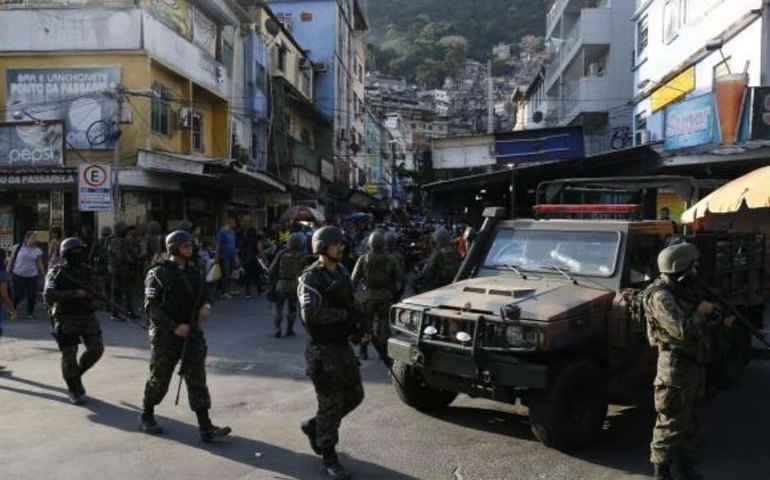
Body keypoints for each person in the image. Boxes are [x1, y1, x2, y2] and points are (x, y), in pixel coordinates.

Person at [642, 243, 733, 480]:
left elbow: (700, 329)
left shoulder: (685, 290)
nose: (696, 270)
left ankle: (685, 468)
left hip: (693, 363)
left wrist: (718, 320)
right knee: (670, 423)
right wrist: (702, 312)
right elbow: (683, 330)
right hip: (674, 367)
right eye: (693, 266)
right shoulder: (661, 296)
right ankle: (661, 473)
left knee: (690, 420)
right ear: (681, 267)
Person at [138, 230, 231, 442]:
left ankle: (205, 426)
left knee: (197, 378)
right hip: (166, 335)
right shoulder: (158, 274)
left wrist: (206, 306)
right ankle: (147, 413)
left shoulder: (194, 271)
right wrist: (173, 327)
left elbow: (205, 292)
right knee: (160, 378)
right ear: (173, 248)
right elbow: (151, 307)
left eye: (191, 245)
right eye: (185, 245)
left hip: (192, 332)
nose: (190, 248)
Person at [298, 226, 370, 480]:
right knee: (330, 404)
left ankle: (315, 427)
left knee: (355, 395)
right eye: (335, 244)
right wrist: (345, 316)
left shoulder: (340, 272)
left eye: (342, 243)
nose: (341, 247)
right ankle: (329, 458)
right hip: (322, 351)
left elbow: (351, 304)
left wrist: (358, 330)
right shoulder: (311, 278)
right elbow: (311, 315)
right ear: (321, 247)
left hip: (341, 347)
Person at [43, 237, 105, 404]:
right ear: (66, 254)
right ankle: (74, 389)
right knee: (69, 356)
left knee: (96, 350)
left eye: (80, 251)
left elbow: (100, 292)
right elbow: (48, 295)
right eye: (74, 252)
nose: (78, 254)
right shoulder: (56, 272)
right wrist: (74, 294)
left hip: (87, 317)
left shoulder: (88, 271)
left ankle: (76, 374)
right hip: (66, 318)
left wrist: (96, 302)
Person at [352, 231, 400, 362]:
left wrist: (352, 296)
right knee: (384, 324)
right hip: (385, 296)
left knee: (366, 325)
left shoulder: (363, 259)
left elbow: (353, 279)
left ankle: (363, 351)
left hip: (368, 296)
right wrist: (395, 293)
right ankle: (382, 352)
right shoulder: (391, 259)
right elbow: (399, 278)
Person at [269, 232, 307, 337]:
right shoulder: (302, 255)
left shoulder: (282, 253)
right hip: (295, 285)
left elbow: (272, 269)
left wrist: (272, 283)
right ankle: (289, 330)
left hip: (281, 284)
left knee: (279, 307)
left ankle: (277, 329)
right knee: (292, 308)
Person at [8, 232, 46, 320]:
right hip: (18, 274)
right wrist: (8, 271)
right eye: (32, 238)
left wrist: (44, 274)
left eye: (35, 238)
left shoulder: (37, 250)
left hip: (32, 275)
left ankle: (30, 313)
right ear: (26, 239)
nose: (34, 240)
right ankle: (13, 308)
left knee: (32, 295)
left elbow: (39, 263)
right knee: (19, 294)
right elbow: (11, 259)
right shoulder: (18, 247)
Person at [414, 227, 462, 293]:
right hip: (456, 285)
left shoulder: (438, 253)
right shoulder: (455, 251)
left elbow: (428, 273)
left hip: (439, 288)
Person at [109, 221, 140, 321]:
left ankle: (122, 313)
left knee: (124, 292)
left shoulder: (115, 241)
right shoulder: (118, 241)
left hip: (119, 269)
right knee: (121, 293)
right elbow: (122, 255)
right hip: (120, 269)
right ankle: (117, 313)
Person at [0, 249, 17, 373]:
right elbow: (4, 295)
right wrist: (12, 309)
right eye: (6, 256)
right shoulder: (2, 273)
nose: (7, 259)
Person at [215, 217, 237, 299]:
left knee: (230, 273)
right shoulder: (222, 231)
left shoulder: (232, 232)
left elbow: (233, 244)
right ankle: (223, 291)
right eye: (234, 222)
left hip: (231, 255)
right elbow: (218, 244)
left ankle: (226, 290)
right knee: (225, 273)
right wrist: (217, 256)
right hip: (224, 256)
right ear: (230, 222)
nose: (235, 224)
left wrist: (235, 256)